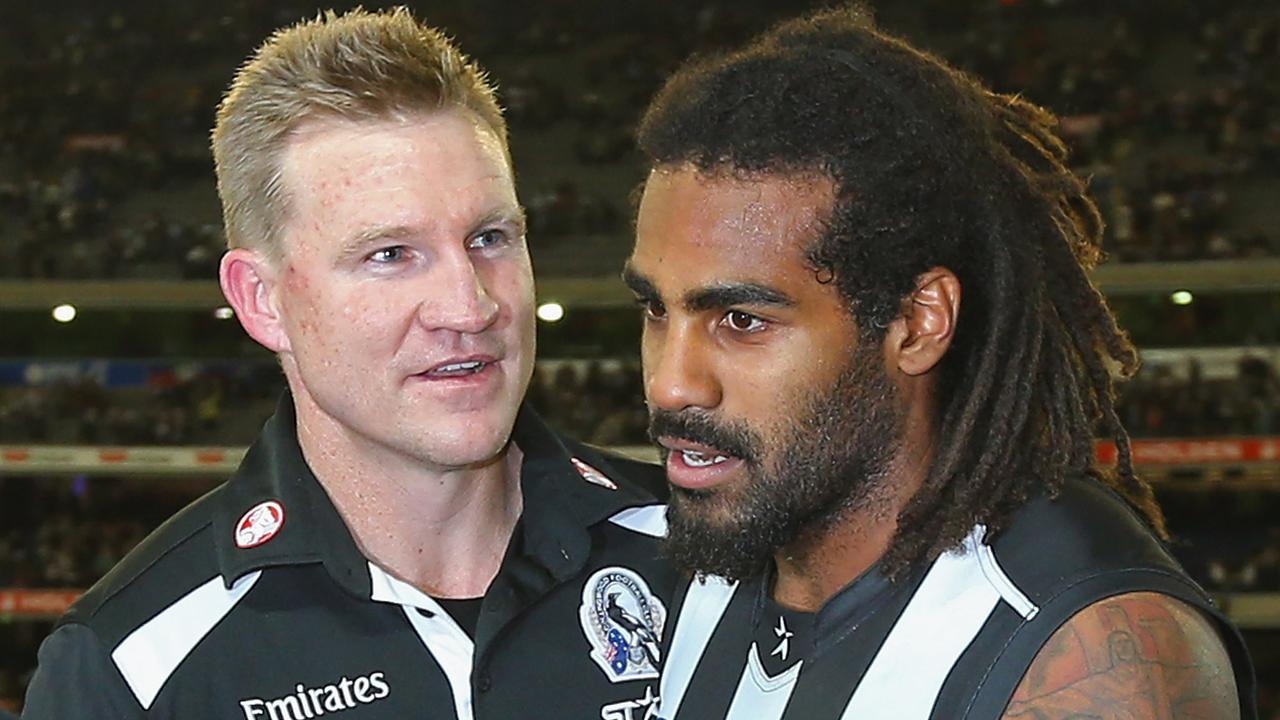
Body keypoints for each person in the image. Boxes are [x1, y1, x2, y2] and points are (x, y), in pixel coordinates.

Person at [22, 9, 673, 719]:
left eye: (489, 237)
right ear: (262, 300)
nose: (470, 306)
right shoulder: (132, 665)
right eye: (390, 255)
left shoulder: (711, 561)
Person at [622, 7, 1257, 719]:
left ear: (918, 323)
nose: (670, 383)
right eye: (655, 310)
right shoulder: (685, 569)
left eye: (742, 321)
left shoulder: (1087, 661)